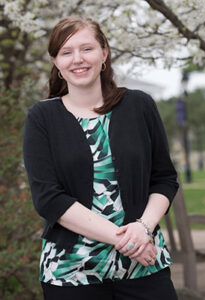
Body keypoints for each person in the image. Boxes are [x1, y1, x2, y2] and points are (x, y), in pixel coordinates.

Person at [23, 16, 179, 300]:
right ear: (56, 62)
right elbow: (49, 198)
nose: (77, 59)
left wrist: (143, 229)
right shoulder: (42, 117)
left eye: (87, 49)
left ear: (104, 53)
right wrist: (129, 241)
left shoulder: (139, 105)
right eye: (66, 52)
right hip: (72, 273)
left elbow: (164, 179)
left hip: (145, 267)